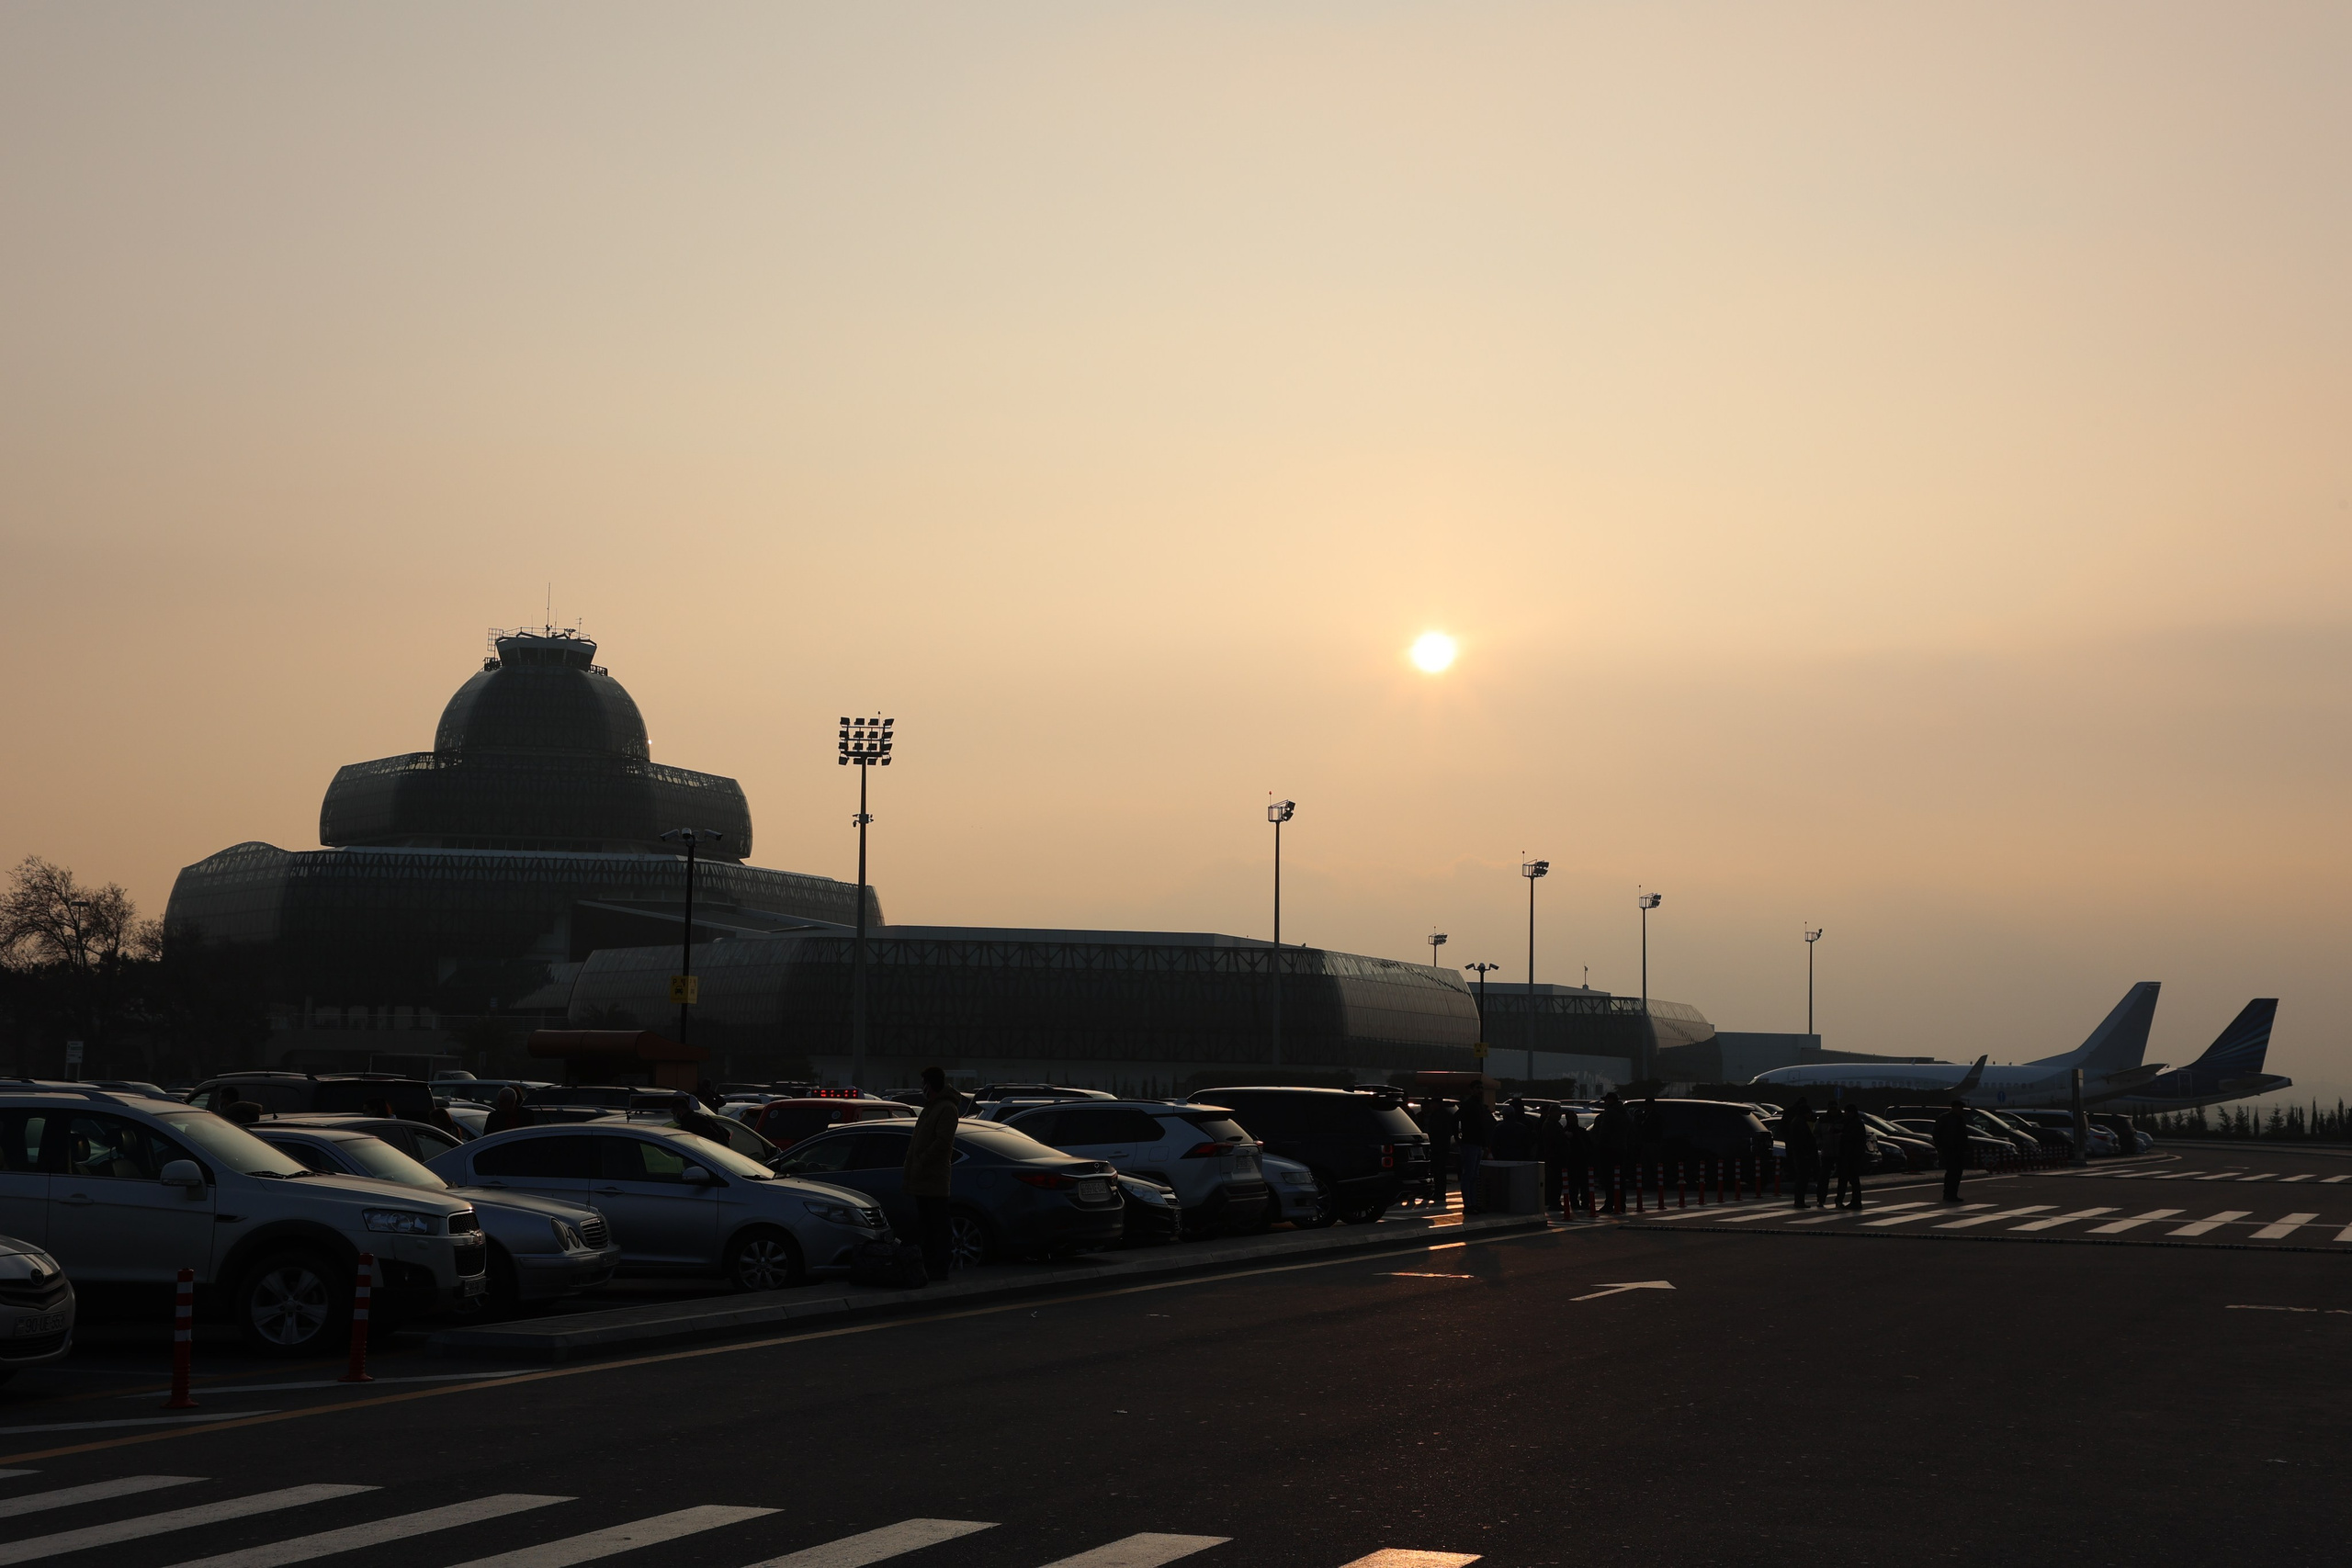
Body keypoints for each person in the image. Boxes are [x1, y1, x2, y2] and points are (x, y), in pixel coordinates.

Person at [904, 1066, 964, 1282]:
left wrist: (922, 1161)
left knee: (938, 1226)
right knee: (927, 1227)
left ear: (931, 1085)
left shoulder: (946, 1108)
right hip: (922, 1178)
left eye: (924, 1084)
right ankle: (928, 1266)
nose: (922, 1088)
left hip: (934, 1178)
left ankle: (940, 1268)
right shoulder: (931, 1107)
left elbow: (942, 1142)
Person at [1592, 1092, 1633, 1213]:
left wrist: (1599, 1144)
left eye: (1606, 1100)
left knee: (1609, 1178)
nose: (1605, 1103)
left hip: (1609, 1149)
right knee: (1620, 1178)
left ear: (1610, 1100)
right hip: (1622, 1148)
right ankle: (1621, 1204)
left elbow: (1604, 1132)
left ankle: (1609, 1204)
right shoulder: (1625, 1113)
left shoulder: (1609, 1113)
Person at [1455, 1089, 1494, 1213]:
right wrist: (1458, 1138)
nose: (1480, 1091)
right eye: (1477, 1088)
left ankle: (1473, 1203)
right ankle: (1468, 1204)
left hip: (1477, 1144)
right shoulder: (1469, 1106)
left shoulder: (1478, 1106)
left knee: (1474, 1175)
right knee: (1469, 1175)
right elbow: (1455, 1119)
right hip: (1471, 1143)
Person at [1419, 1095, 1455, 1210]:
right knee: (1438, 1171)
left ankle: (1439, 1193)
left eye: (1432, 1103)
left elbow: (1439, 1131)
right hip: (1440, 1146)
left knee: (1439, 1170)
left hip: (1439, 1146)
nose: (1431, 1106)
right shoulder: (1442, 1114)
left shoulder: (1440, 1115)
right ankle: (1439, 1193)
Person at [1782, 1099, 1819, 1209]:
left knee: (1802, 1179)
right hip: (1802, 1155)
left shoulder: (1796, 1121)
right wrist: (1808, 1153)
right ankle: (1799, 1201)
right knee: (1802, 1179)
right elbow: (1804, 1140)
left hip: (1799, 1154)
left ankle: (1799, 1201)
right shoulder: (1800, 1123)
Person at [1935, 1099, 1972, 1201]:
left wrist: (1965, 1147)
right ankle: (1947, 1194)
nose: (1961, 1110)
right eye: (1960, 1108)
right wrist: (1940, 1148)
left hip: (1959, 1150)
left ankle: (1953, 1194)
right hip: (1949, 1149)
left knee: (1957, 1173)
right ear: (1954, 1108)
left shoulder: (1961, 1119)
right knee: (1951, 1172)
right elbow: (1937, 1134)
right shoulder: (1945, 1118)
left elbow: (1964, 1135)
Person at [1834, 1104, 1869, 1209]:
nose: (1845, 1114)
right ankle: (1852, 1201)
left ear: (1851, 1113)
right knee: (1851, 1180)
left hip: (1851, 1156)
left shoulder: (1856, 1124)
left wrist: (1842, 1136)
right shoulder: (1852, 1122)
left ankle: (1855, 1201)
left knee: (1851, 1179)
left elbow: (1855, 1138)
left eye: (1847, 1112)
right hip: (1850, 1155)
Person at [1537, 1102, 1570, 1213]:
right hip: (1554, 1157)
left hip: (1556, 1156)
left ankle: (1555, 1201)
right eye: (1557, 1112)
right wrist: (1565, 1136)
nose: (1560, 1114)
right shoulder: (1550, 1125)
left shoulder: (1554, 1124)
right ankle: (1554, 1202)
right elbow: (1554, 1140)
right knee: (1555, 1181)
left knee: (1557, 1182)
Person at [1565, 1107, 1595, 1214]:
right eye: (1572, 1118)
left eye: (1575, 1117)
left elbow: (1588, 1145)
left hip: (1581, 1160)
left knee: (1583, 1183)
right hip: (1573, 1160)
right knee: (1574, 1184)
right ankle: (1576, 1202)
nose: (1574, 1119)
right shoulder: (1567, 1132)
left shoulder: (1580, 1131)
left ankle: (1584, 1202)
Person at [1495, 1097, 1535, 1161]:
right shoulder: (1526, 1124)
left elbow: (1495, 1144)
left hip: (1504, 1156)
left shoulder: (1499, 1127)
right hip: (1521, 1157)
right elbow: (1529, 1142)